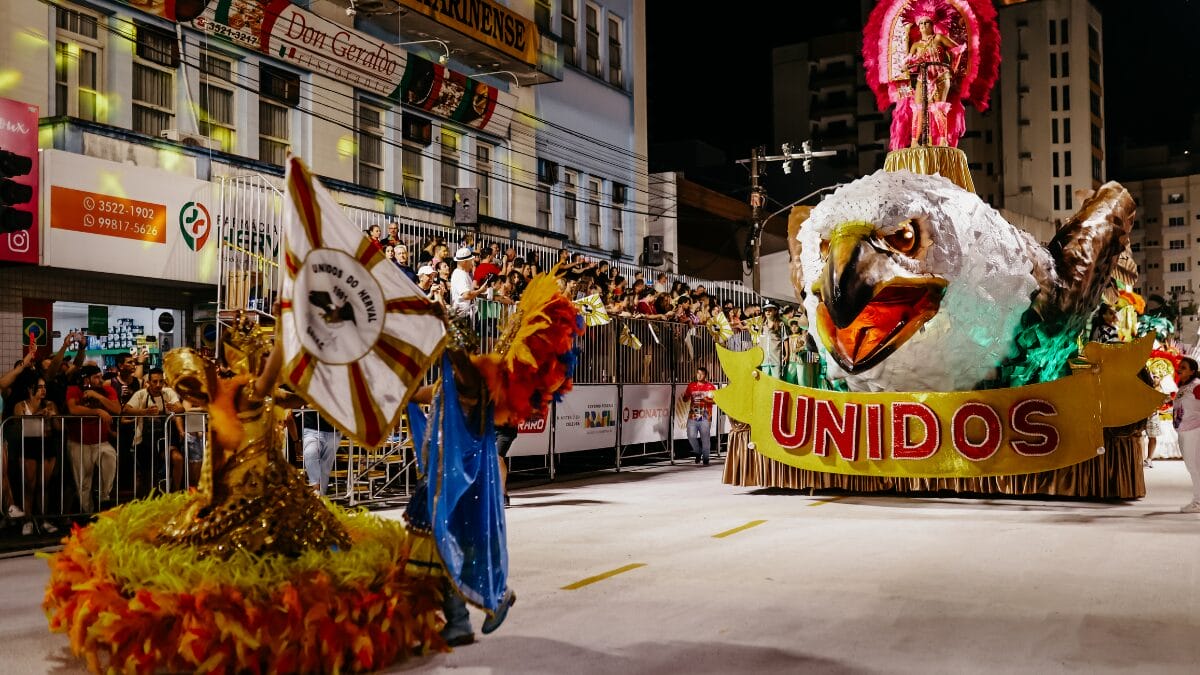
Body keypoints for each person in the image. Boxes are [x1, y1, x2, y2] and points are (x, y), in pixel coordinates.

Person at [65, 364, 121, 512]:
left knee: (110, 457)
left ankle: (104, 498)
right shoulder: (74, 389)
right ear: (86, 379)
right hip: (78, 441)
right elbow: (73, 409)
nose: (100, 380)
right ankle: (87, 513)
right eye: (96, 377)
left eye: (100, 376)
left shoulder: (107, 390)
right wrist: (97, 411)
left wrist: (98, 396)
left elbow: (117, 409)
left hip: (100, 440)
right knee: (83, 482)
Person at [905, 14, 964, 147]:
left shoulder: (939, 37)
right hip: (923, 78)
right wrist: (906, 64)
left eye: (926, 22)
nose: (923, 25)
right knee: (918, 108)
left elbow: (958, 50)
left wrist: (953, 67)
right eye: (921, 23)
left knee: (938, 108)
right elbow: (908, 63)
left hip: (940, 76)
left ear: (932, 25)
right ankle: (914, 141)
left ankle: (943, 140)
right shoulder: (915, 45)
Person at [125, 367, 186, 493]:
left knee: (178, 459)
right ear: (148, 382)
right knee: (148, 474)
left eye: (161, 381)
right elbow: (126, 410)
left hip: (165, 437)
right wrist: (144, 412)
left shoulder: (168, 393)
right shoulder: (140, 394)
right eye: (155, 381)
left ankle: (175, 492)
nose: (158, 385)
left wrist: (173, 408)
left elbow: (181, 409)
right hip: (144, 440)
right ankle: (149, 498)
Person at [295, 407, 342, 496]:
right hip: (311, 427)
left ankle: (321, 496)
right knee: (310, 453)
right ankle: (315, 488)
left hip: (334, 430)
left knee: (326, 466)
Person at [1173, 357, 1200, 513]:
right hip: (1184, 431)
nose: (1179, 368)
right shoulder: (1184, 387)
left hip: (1194, 431)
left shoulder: (1197, 386)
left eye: (1183, 367)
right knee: (1192, 467)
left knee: (1195, 467)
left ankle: (1198, 502)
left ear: (1192, 371)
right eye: (1179, 366)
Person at [680, 366, 717, 465]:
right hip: (693, 415)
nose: (699, 375)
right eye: (698, 373)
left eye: (701, 374)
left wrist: (707, 400)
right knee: (691, 436)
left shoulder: (710, 387)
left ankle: (706, 458)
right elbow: (685, 399)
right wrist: (685, 397)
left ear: (705, 375)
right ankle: (697, 452)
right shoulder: (691, 385)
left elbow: (716, 401)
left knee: (705, 438)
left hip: (705, 416)